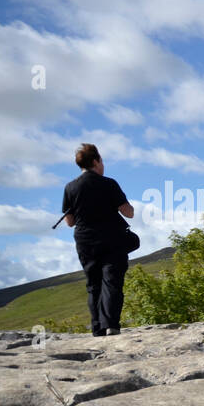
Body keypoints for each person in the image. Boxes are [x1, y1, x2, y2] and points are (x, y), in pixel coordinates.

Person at [63, 144, 134, 336]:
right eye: (102, 161)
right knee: (112, 281)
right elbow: (128, 212)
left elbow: (69, 221)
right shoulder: (109, 183)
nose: (103, 164)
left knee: (93, 283)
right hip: (112, 239)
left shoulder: (70, 187)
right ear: (95, 161)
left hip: (85, 240)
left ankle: (97, 329)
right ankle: (111, 325)